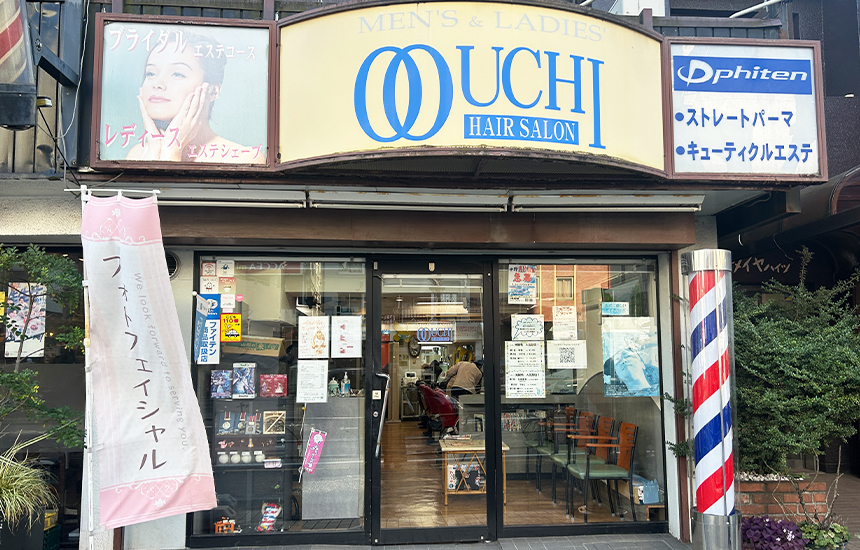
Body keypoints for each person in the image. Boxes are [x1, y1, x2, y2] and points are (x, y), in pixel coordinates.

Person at [126, 33, 264, 164]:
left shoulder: (243, 158)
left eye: (177, 74)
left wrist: (171, 151)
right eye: (151, 73)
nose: (157, 84)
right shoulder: (139, 154)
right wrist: (156, 150)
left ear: (212, 91)